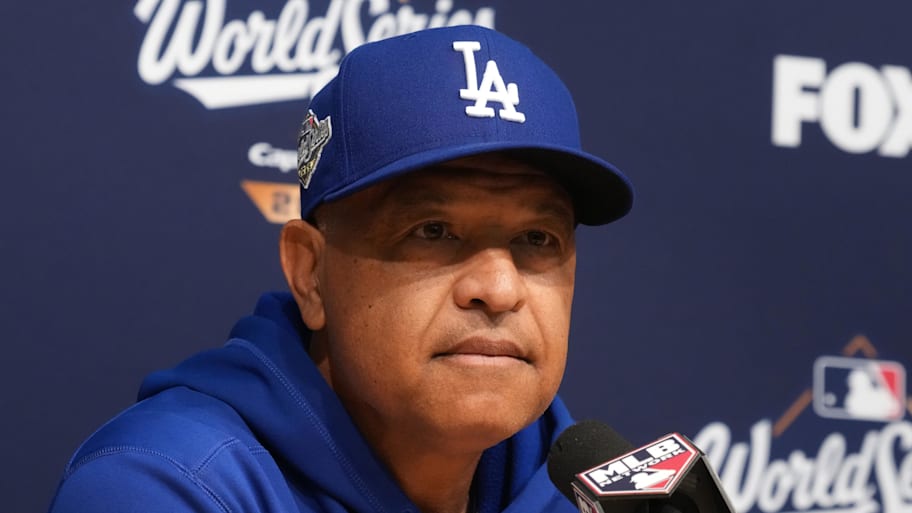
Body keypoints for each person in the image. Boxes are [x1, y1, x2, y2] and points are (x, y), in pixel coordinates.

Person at [48, 25, 633, 513]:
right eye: (432, 231)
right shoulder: (166, 488)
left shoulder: (588, 492)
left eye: (537, 238)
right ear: (310, 273)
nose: (500, 289)